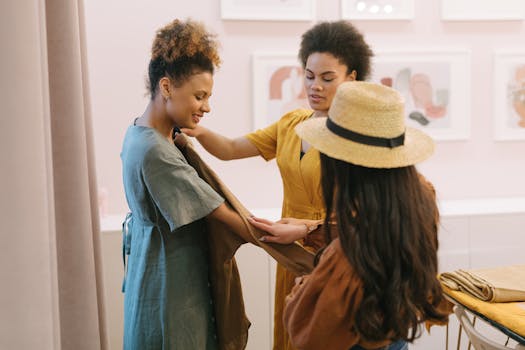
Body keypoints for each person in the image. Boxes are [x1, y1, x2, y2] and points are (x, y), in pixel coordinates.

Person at [182, 20, 374, 350]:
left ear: (351, 79)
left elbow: (366, 216)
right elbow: (230, 149)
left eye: (328, 78)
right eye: (310, 76)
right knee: (291, 335)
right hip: (289, 252)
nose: (316, 86)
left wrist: (305, 229)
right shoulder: (292, 123)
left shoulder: (361, 136)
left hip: (335, 255)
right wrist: (193, 130)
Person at [248, 81, 452, 350]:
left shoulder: (351, 253)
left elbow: (311, 336)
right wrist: (308, 229)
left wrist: (303, 287)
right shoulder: (418, 198)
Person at [120, 19, 253, 349]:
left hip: (155, 273)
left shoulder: (143, 133)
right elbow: (222, 216)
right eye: (199, 96)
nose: (206, 106)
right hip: (171, 287)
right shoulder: (156, 150)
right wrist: (275, 235)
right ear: (166, 87)